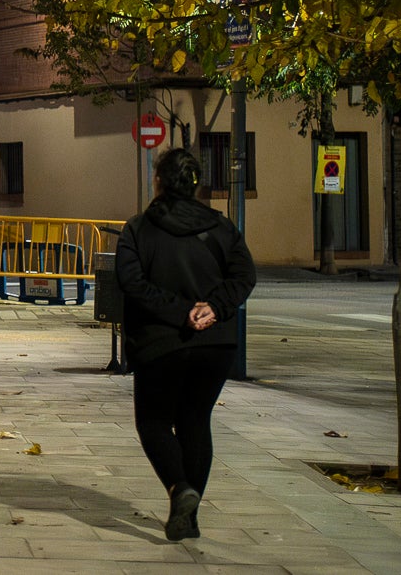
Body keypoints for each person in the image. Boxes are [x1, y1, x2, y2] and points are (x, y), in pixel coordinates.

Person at [115, 145, 257, 542]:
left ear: (158, 181)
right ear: (196, 184)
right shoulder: (222, 227)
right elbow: (244, 276)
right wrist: (214, 308)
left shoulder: (138, 229)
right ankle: (188, 518)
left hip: (161, 344)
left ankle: (180, 489)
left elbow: (131, 282)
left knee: (154, 422)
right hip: (216, 344)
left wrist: (180, 312)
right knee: (195, 420)